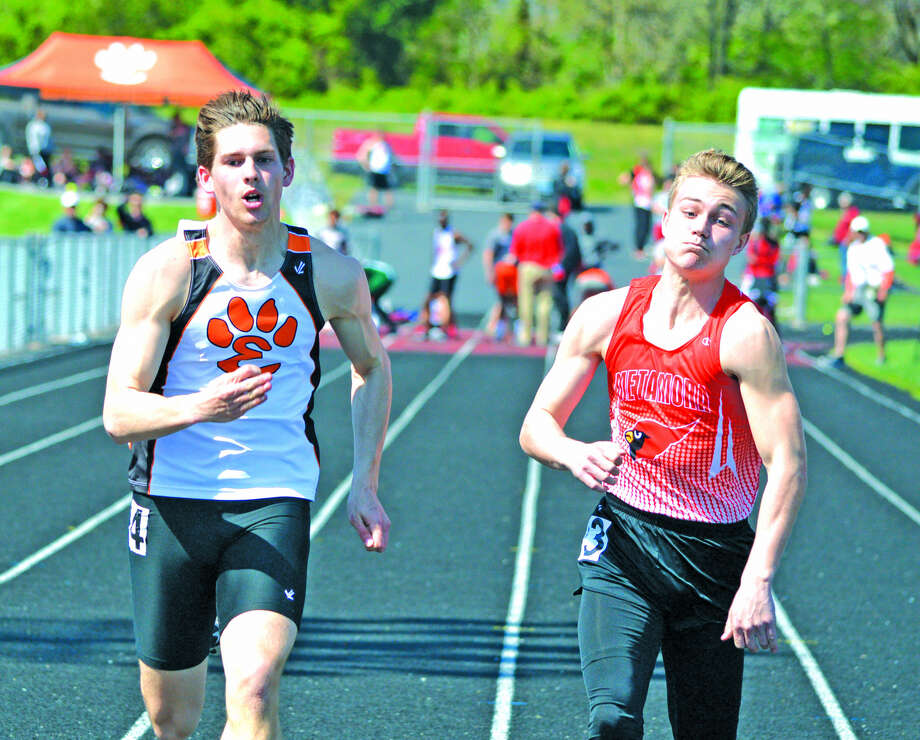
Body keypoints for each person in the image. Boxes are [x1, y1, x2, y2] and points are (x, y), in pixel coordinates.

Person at [101, 90, 392, 740]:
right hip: (171, 506)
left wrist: (365, 482)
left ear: (287, 170)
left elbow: (372, 367)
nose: (251, 175)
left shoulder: (331, 273)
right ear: (206, 177)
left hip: (273, 500)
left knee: (254, 686)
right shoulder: (169, 273)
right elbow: (118, 413)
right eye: (233, 162)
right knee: (171, 721)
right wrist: (202, 407)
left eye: (264, 160)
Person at [519, 149, 807, 740]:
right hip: (623, 543)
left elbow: (788, 464)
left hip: (713, 556)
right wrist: (573, 452)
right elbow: (537, 423)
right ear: (665, 218)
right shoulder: (604, 315)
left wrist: (758, 581)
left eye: (722, 219)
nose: (702, 229)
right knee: (612, 718)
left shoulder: (746, 334)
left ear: (742, 239)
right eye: (691, 211)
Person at [829, 215, 895, 367]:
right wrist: (848, 291)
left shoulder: (877, 245)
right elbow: (852, 273)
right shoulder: (853, 248)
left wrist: (883, 290)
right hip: (859, 288)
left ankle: (881, 354)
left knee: (876, 324)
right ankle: (839, 354)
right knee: (842, 317)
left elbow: (888, 269)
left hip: (874, 288)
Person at [508, 201, 564, 346]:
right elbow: (558, 251)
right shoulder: (552, 228)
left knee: (526, 303)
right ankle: (542, 337)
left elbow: (514, 253)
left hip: (527, 267)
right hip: (546, 268)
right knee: (544, 304)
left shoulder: (522, 227)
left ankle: (525, 337)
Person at [415, 209, 473, 340]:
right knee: (428, 298)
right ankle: (426, 326)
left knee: (444, 300)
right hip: (437, 270)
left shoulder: (453, 233)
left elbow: (470, 245)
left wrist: (459, 262)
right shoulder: (436, 232)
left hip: (449, 272)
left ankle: (444, 329)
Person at [740, 217, 782, 329]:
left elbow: (753, 259)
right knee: (757, 307)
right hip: (761, 277)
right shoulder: (760, 242)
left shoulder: (764, 243)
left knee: (762, 307)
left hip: (763, 277)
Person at [549, 203, 583, 335]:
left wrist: (561, 267)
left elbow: (571, 251)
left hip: (563, 268)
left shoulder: (564, 230)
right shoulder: (562, 229)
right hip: (561, 266)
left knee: (560, 294)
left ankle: (563, 325)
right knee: (559, 294)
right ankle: (563, 324)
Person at [483, 212, 517, 341]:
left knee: (510, 301)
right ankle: (491, 326)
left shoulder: (513, 234)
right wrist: (489, 272)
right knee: (501, 300)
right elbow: (488, 254)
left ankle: (504, 329)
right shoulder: (495, 235)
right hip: (499, 273)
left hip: (511, 274)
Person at [619, 153, 655, 258]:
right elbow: (624, 178)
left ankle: (643, 246)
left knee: (647, 225)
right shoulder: (637, 172)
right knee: (641, 226)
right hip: (640, 202)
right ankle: (639, 248)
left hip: (648, 203)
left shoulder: (649, 174)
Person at [356, 131, 395, 212]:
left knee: (387, 188)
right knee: (374, 188)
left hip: (384, 171)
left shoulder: (385, 144)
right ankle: (373, 206)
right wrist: (366, 165)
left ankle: (389, 207)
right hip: (375, 170)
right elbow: (361, 155)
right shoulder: (372, 144)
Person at [829, 192, 860, 280]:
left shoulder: (852, 212)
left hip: (847, 243)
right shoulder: (844, 212)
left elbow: (854, 228)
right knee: (843, 263)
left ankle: (847, 282)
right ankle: (845, 280)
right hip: (841, 242)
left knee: (847, 264)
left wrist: (848, 239)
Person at [25, 108, 53, 185]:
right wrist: (34, 150)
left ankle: (43, 181)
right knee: (38, 167)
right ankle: (35, 181)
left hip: (44, 151)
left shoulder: (45, 126)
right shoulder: (33, 125)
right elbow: (33, 139)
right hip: (36, 150)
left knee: (43, 167)